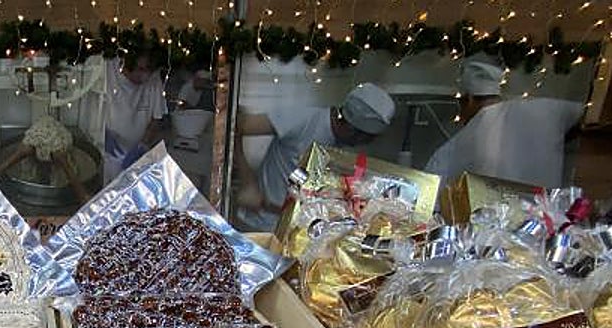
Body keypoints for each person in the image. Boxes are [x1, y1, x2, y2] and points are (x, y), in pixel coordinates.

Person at [235, 83, 396, 231]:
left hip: (302, 230)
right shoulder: (303, 118)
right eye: (363, 138)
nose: (362, 144)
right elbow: (234, 126)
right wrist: (248, 183)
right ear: (349, 127)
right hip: (260, 224)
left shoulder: (344, 147)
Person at [425, 58, 584, 188]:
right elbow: (588, 116)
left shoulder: (458, 145)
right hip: (544, 217)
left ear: (470, 99)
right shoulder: (543, 109)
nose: (460, 114)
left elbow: (431, 192)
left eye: (461, 105)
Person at [103, 51, 170, 183]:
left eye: (148, 70)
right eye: (140, 69)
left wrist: (143, 145)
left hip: (137, 155)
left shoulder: (153, 80)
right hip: (110, 155)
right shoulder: (108, 70)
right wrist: (102, 133)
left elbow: (156, 118)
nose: (145, 75)